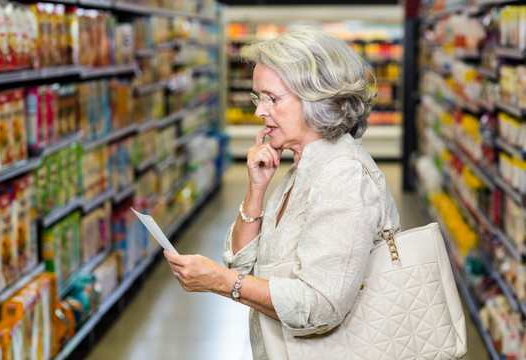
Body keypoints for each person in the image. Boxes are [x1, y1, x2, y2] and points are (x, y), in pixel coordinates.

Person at [164, 26, 401, 359]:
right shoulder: (302, 166)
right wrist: (257, 189)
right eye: (256, 98)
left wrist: (220, 282)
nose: (259, 112)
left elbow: (320, 306)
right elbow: (243, 264)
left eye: (271, 98)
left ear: (316, 96)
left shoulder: (342, 176)